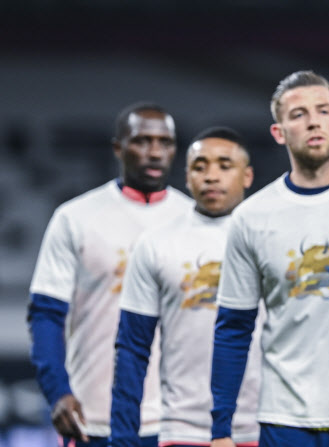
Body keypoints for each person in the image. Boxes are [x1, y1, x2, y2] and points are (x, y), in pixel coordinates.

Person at [210, 70, 329, 447]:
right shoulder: (252, 217)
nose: (313, 121)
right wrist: (220, 427)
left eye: (323, 111)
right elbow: (234, 326)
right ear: (279, 132)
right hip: (285, 418)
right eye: (299, 114)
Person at [27, 102, 192, 447]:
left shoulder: (196, 221)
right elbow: (45, 314)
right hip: (94, 419)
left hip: (179, 423)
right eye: (142, 141)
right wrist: (57, 392)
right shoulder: (76, 218)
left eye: (165, 142)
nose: (155, 152)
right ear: (118, 147)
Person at [108, 127, 261, 447]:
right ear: (187, 177)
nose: (211, 176)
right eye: (199, 167)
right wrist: (122, 437)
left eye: (224, 165)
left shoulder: (269, 239)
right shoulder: (156, 244)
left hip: (266, 423)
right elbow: (132, 348)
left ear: (247, 176)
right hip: (183, 428)